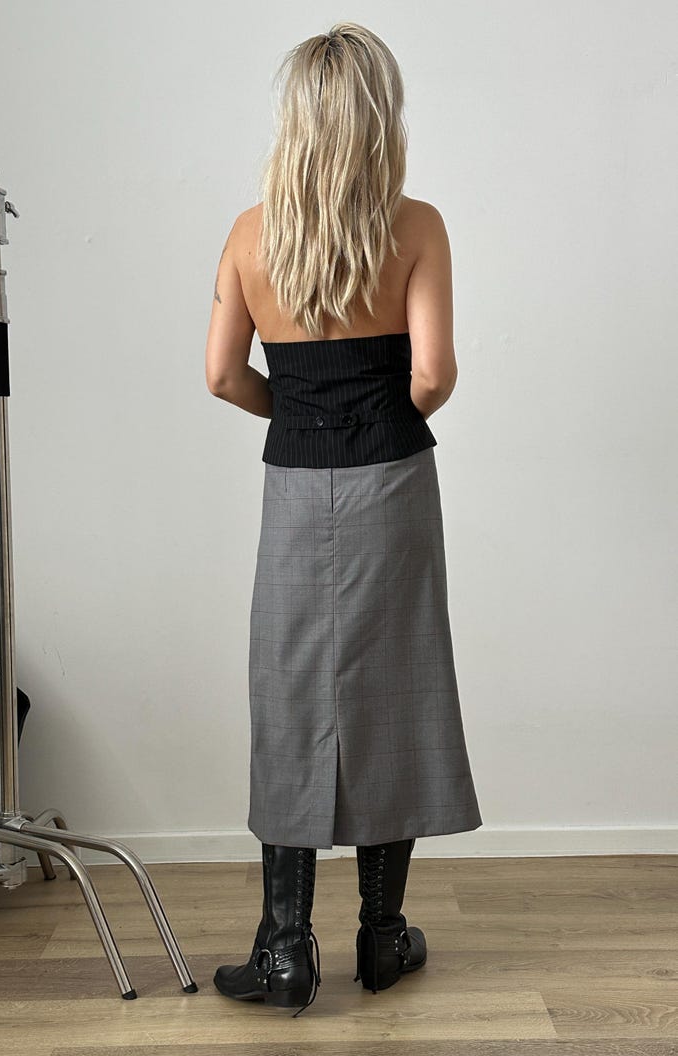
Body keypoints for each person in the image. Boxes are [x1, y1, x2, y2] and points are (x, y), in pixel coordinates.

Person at [204, 22, 482, 1016]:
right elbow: (432, 376)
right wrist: (375, 416)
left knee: (288, 690)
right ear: (378, 118)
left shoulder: (249, 232)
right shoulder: (417, 226)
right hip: (392, 485)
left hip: (293, 487)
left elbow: (221, 375)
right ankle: (379, 935)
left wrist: (303, 416)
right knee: (389, 685)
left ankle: (283, 949)